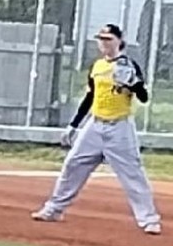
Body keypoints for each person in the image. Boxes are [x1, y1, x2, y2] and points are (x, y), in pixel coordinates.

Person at [32, 23, 161, 235]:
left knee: (133, 174)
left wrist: (134, 84)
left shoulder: (129, 65)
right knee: (73, 165)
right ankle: (54, 209)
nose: (103, 43)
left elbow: (144, 98)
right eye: (101, 38)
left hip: (120, 126)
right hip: (95, 125)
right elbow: (91, 97)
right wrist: (74, 125)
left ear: (119, 41)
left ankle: (149, 220)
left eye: (108, 39)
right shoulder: (98, 66)